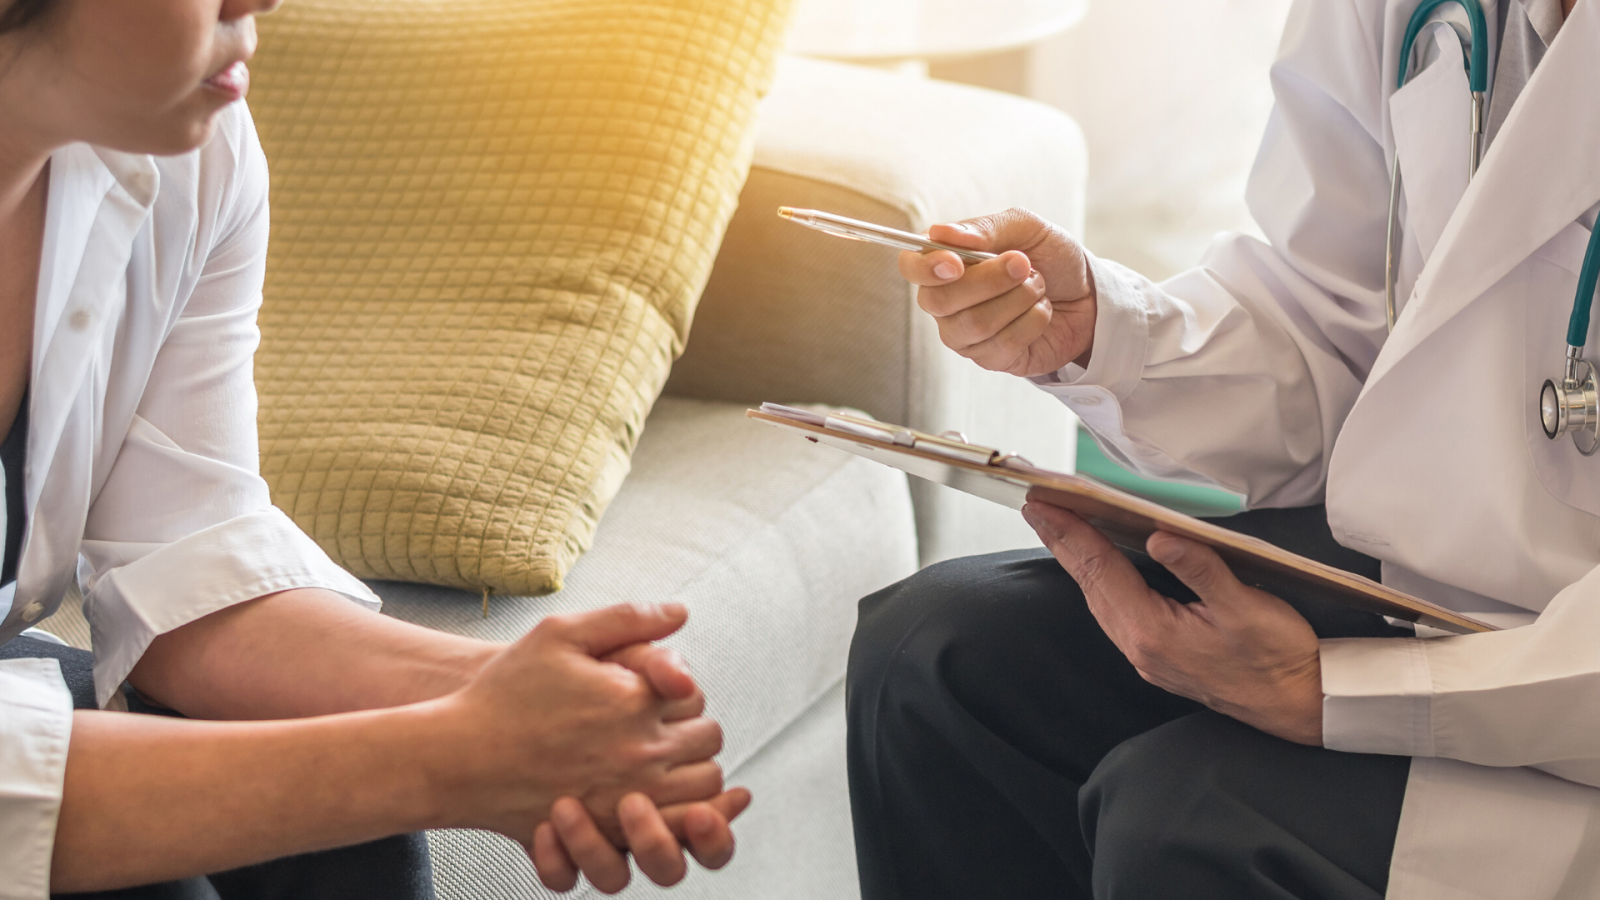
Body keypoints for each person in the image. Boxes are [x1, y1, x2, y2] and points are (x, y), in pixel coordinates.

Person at [846, 0, 1600, 897]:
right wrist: (1106, 332)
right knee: (932, 655)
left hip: (1570, 677)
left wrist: (1335, 690)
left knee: (1187, 824)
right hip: (1443, 574)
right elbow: (1333, 325)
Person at [0, 0, 752, 897]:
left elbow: (185, 564)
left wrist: (510, 694)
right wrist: (446, 756)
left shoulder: (194, 155)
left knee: (340, 845)